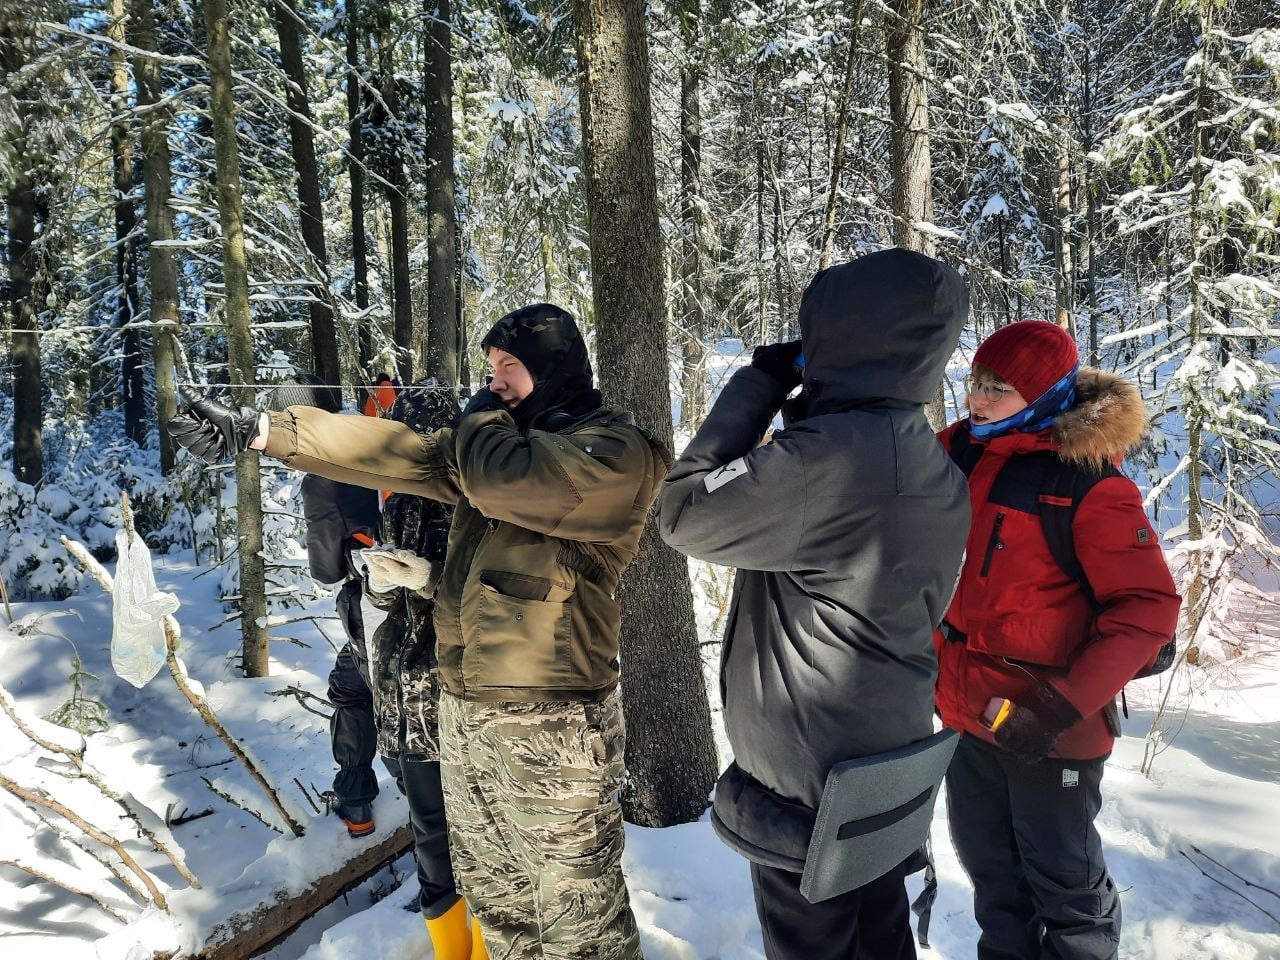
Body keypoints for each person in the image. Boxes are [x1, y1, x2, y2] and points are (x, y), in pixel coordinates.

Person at [168, 304, 664, 960]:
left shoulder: (615, 453)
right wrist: (265, 431)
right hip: (471, 718)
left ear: (553, 369)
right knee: (502, 904)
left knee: (574, 922)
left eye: (508, 369)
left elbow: (497, 479)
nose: (494, 383)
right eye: (489, 371)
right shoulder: (499, 451)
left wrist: (479, 413)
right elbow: (398, 453)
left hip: (556, 727)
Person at [658, 247, 972, 960]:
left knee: (816, 943)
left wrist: (761, 384)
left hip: (809, 785)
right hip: (886, 759)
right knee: (880, 932)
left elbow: (681, 513)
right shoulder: (929, 460)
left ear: (840, 337)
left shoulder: (824, 460)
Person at [934, 319, 1181, 960]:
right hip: (968, 718)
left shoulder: (1086, 483)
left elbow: (1148, 612)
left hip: (1053, 730)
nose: (977, 399)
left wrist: (1054, 708)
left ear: (1044, 395)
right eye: (976, 381)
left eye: (999, 389)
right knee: (996, 884)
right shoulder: (959, 449)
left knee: (1066, 893)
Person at [271, 375, 381, 839]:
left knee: (353, 688)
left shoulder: (323, 478)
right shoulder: (377, 438)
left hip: (376, 604)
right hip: (437, 589)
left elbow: (326, 569)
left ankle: (358, 808)